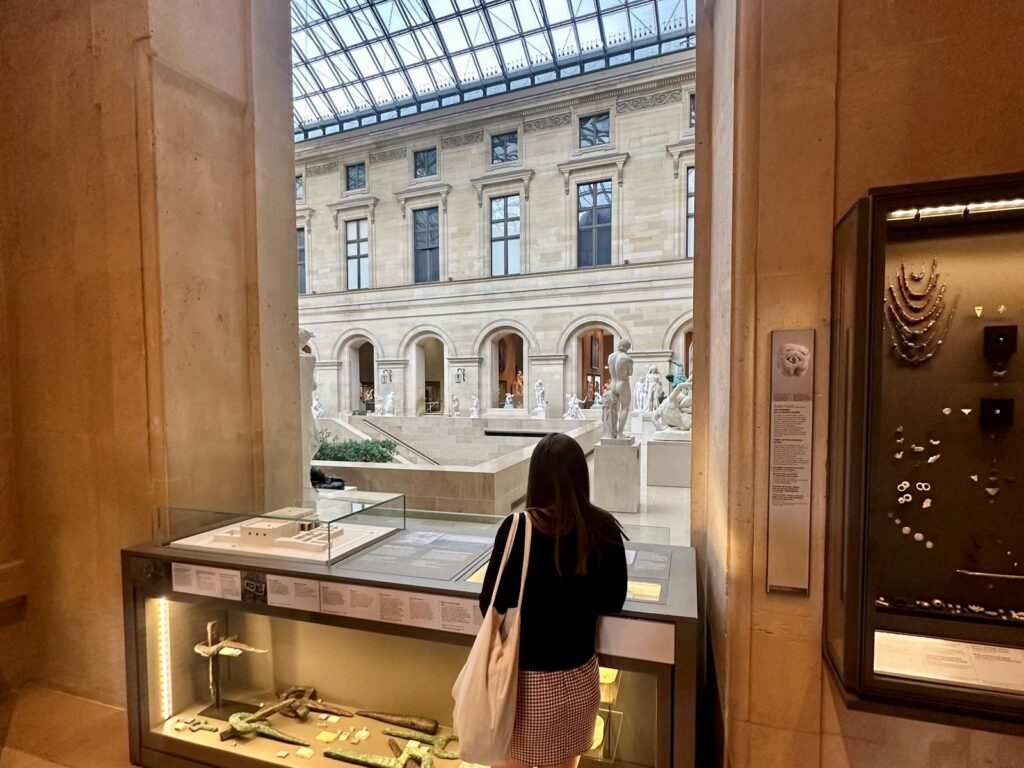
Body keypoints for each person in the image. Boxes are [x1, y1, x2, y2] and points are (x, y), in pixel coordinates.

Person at [479, 433, 628, 768]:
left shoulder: (518, 528)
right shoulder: (603, 526)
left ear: (536, 478)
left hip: (523, 685)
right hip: (578, 679)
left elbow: (490, 602)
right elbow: (614, 599)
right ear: (581, 475)